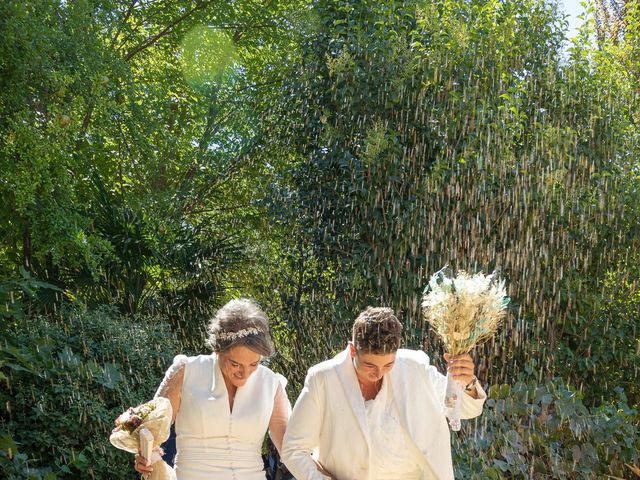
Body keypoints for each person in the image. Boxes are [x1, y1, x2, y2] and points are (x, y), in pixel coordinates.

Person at [281, 306, 486, 480]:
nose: (378, 373)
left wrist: (466, 383)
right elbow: (293, 450)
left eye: (389, 364)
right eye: (369, 364)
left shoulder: (415, 368)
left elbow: (462, 411)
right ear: (353, 350)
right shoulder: (323, 378)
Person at [135, 298, 291, 480]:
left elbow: (292, 449)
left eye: (254, 364)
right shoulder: (186, 371)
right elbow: (149, 432)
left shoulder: (271, 382)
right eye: (235, 364)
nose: (245, 373)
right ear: (218, 350)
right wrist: (146, 458)